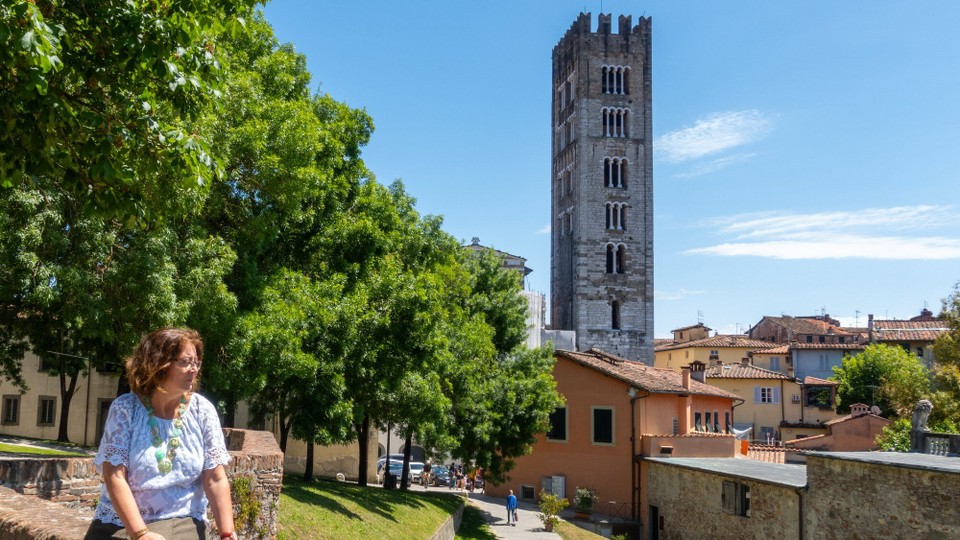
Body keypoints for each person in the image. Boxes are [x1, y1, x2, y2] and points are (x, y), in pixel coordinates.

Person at [84, 328, 236, 540]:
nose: (194, 369)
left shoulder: (203, 411)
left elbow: (216, 479)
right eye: (185, 362)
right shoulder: (126, 409)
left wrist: (227, 533)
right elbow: (114, 476)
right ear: (158, 365)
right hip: (118, 523)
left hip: (180, 519)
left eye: (197, 362)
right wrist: (141, 534)